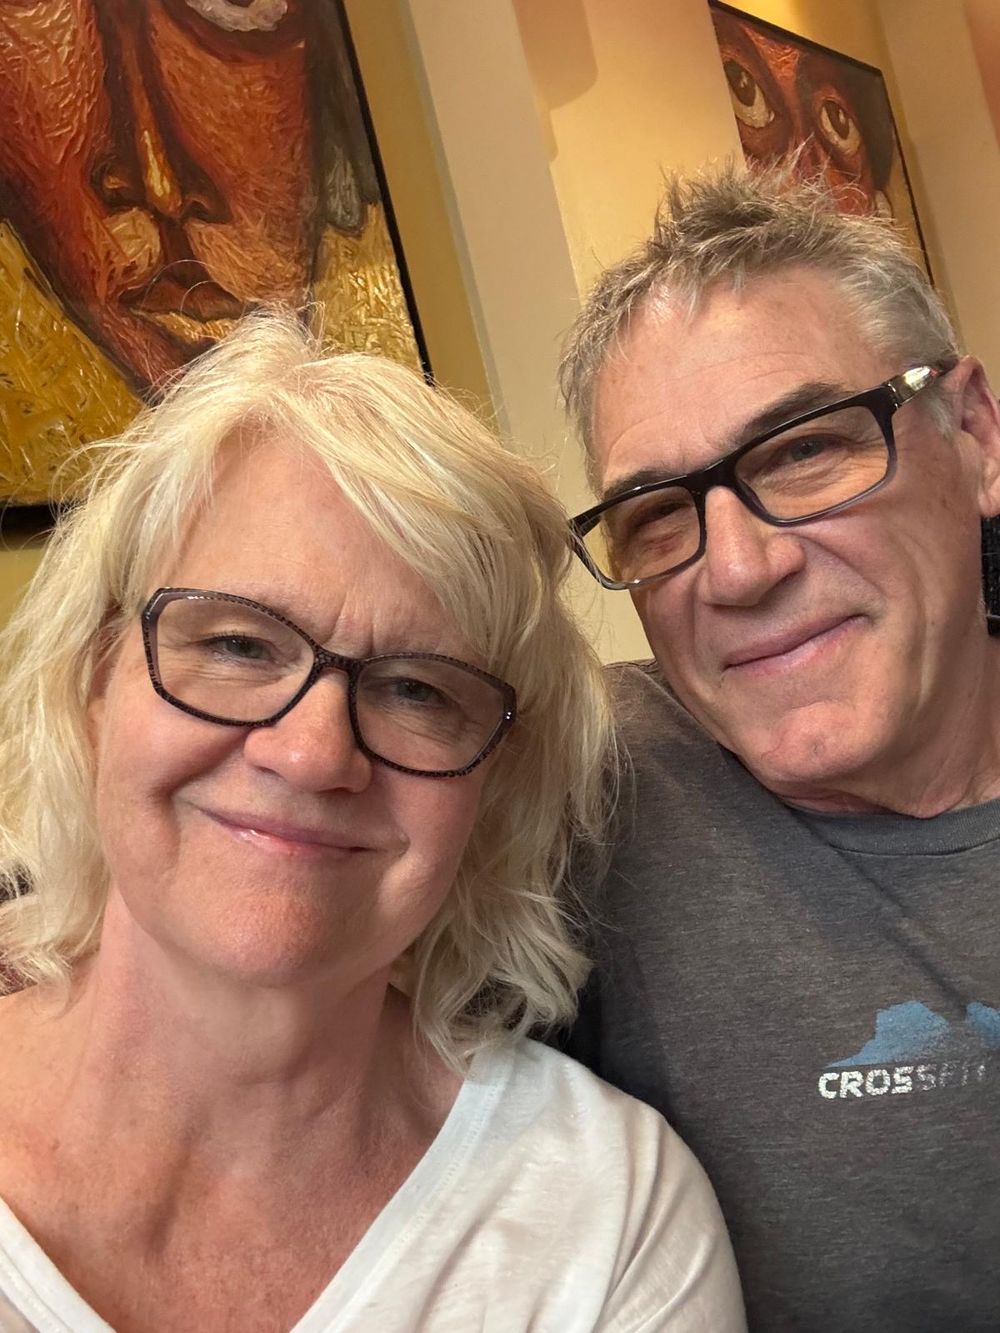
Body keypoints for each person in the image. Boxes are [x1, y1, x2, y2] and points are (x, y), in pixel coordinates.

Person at [0, 312, 744, 1331]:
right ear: (96, 677)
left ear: (493, 787)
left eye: (416, 691)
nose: (312, 754)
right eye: (238, 645)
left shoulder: (607, 1216)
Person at [559, 163, 1000, 1332]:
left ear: (973, 436)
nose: (740, 569)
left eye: (804, 451)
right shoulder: (584, 786)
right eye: (657, 514)